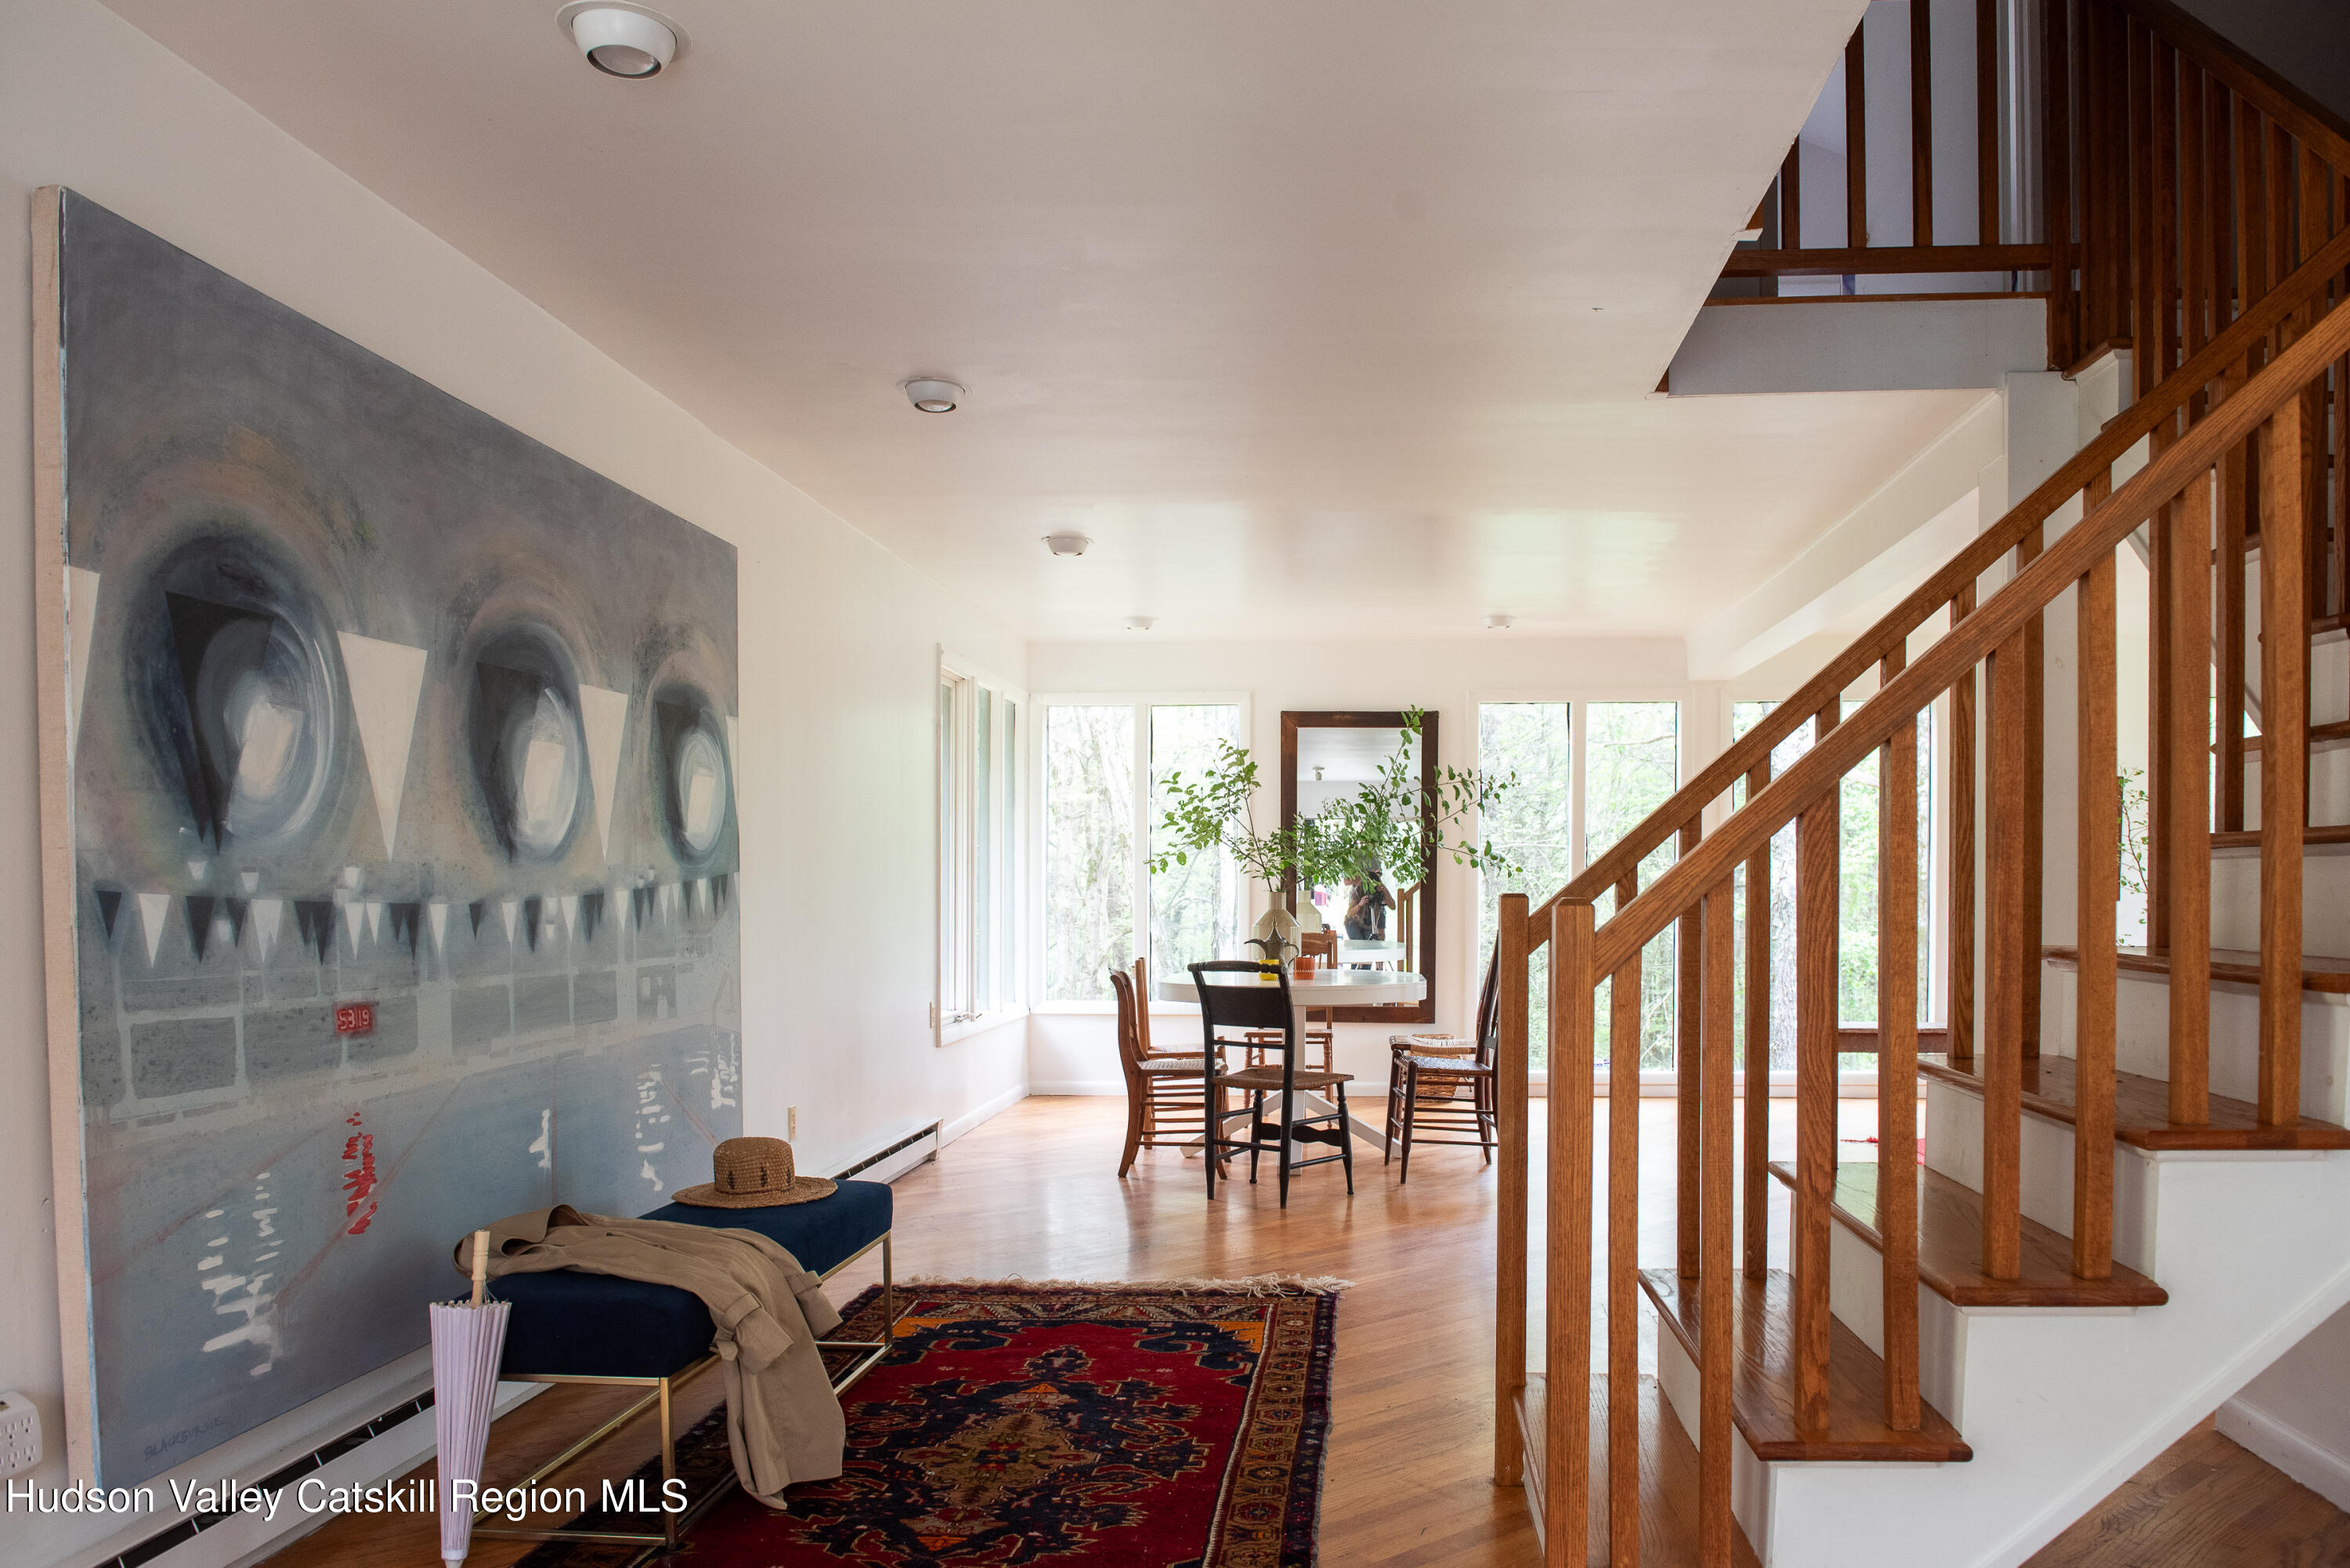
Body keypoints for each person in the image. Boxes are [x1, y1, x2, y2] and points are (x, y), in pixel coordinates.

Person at [1344, 871, 1394, 941]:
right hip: (1354, 923)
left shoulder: (1380, 891)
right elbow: (1349, 914)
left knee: (1368, 946)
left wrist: (1385, 891)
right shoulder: (1358, 890)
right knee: (1358, 945)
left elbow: (1393, 906)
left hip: (1368, 925)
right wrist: (1359, 905)